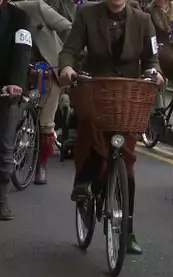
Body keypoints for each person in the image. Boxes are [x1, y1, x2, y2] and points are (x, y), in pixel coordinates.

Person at [58, 0, 164, 254]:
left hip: (127, 95)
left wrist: (155, 72)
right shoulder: (87, 15)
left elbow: (152, 59)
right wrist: (67, 67)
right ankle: (84, 180)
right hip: (95, 88)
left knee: (127, 160)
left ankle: (126, 231)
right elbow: (70, 49)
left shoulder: (143, 20)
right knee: (90, 129)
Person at [13, 0, 71, 185]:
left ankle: (41, 165)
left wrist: (67, 57)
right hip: (18, 67)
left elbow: (68, 28)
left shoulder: (36, 7)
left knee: (45, 123)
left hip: (48, 67)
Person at [0, 0, 31, 220]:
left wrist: (15, 82)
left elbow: (22, 52)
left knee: (4, 142)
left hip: (5, 87)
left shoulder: (19, 17)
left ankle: (2, 199)